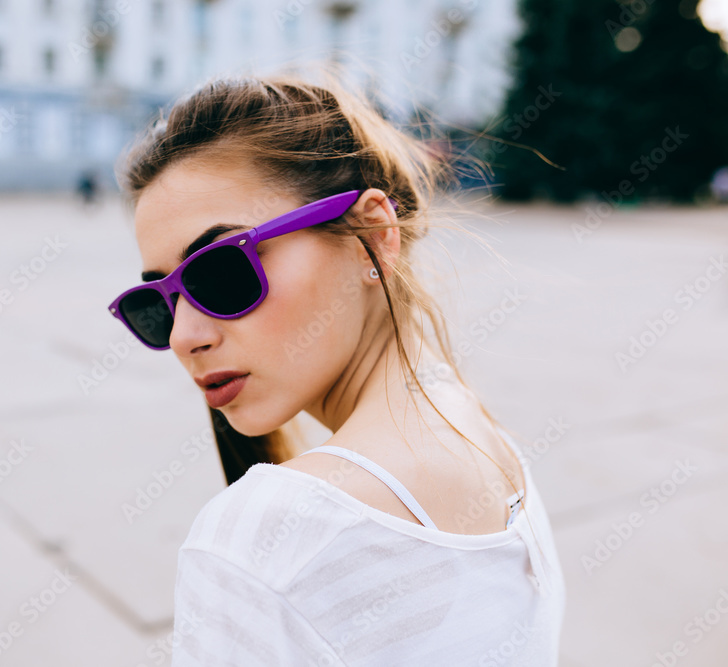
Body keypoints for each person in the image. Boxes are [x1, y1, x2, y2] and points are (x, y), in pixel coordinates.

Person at [108, 64, 566, 665]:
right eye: (157, 305)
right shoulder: (477, 430)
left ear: (374, 235)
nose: (185, 337)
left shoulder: (264, 541)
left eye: (220, 271)